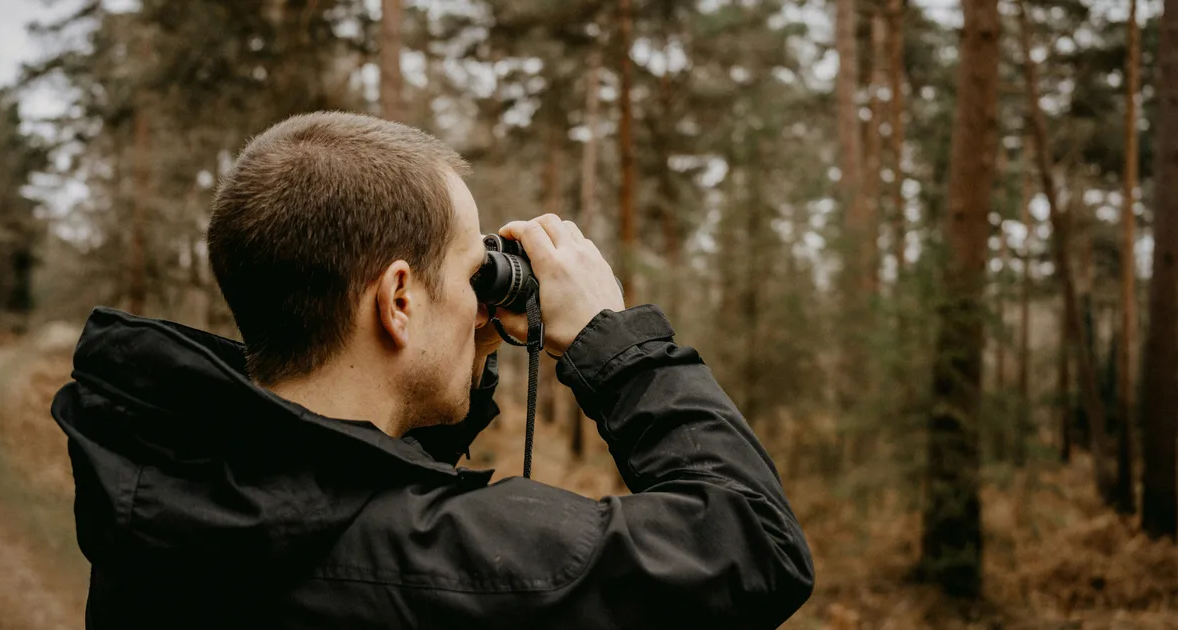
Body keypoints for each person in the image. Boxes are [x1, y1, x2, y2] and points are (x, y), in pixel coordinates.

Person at [51, 111, 814, 629]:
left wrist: (451, 352)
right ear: (398, 300)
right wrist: (616, 345)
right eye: (472, 271)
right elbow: (757, 545)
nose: (482, 298)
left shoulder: (162, 489)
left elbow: (335, 475)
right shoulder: (459, 559)